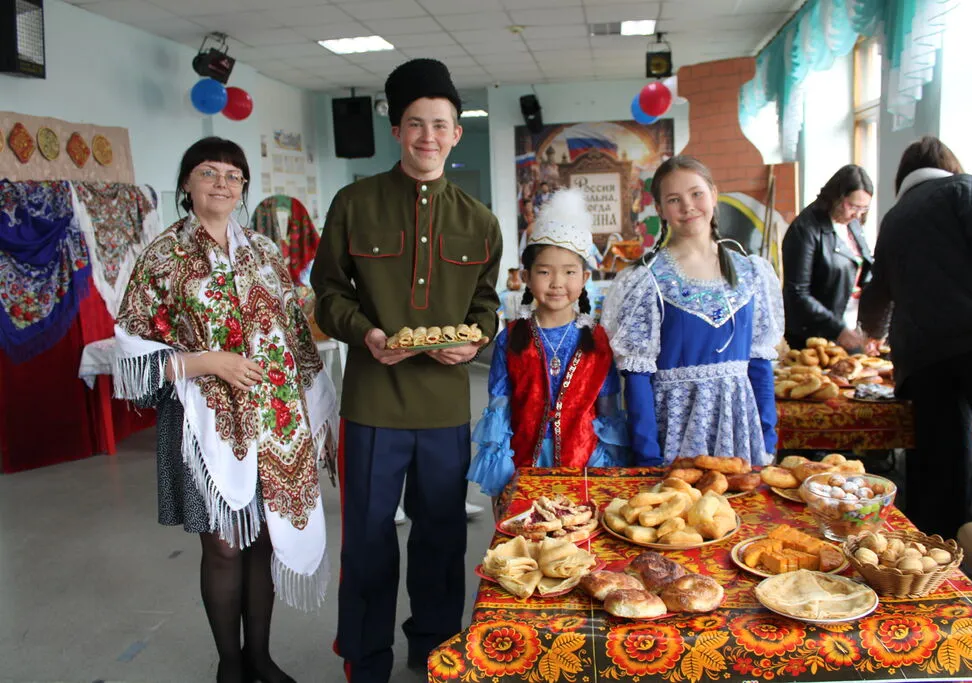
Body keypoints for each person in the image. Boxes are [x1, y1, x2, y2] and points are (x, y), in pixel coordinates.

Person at [114, 137, 337, 683]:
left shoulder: (263, 250)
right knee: (223, 547)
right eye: (208, 172)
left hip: (273, 421)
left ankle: (260, 656)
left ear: (243, 188)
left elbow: (295, 332)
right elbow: (131, 346)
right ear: (186, 183)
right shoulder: (163, 254)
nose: (222, 183)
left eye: (233, 175)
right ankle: (230, 665)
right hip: (204, 424)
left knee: (261, 542)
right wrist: (209, 362)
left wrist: (316, 409)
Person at [310, 58, 502, 682]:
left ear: (456, 134)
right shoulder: (354, 203)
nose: (428, 136)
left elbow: (486, 305)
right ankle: (365, 659)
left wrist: (475, 341)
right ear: (396, 130)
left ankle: (435, 649)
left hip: (445, 407)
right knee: (367, 540)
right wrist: (365, 332)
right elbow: (328, 293)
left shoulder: (479, 221)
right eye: (415, 123)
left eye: (440, 125)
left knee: (442, 538)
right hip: (372, 403)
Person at [859, 136, 972, 538]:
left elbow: (879, 291)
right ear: (948, 163)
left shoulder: (894, 218)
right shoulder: (966, 188)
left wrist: (871, 334)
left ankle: (943, 544)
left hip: (923, 354)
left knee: (942, 457)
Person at [602, 155, 784, 467]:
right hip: (675, 431)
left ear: (713, 194)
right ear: (660, 209)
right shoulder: (646, 280)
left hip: (739, 428)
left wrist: (766, 437)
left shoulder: (751, 272)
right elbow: (637, 377)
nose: (688, 206)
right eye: (674, 199)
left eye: (696, 194)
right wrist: (648, 455)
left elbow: (759, 364)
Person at [468, 188, 629, 507]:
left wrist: (609, 472)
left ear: (584, 277)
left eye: (569, 272)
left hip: (584, 466)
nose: (557, 283)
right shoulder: (511, 337)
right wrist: (501, 478)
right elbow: (499, 407)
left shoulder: (599, 339)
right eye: (544, 272)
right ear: (526, 277)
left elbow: (609, 412)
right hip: (525, 465)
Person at [781, 164, 874, 350]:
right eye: (852, 206)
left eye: (864, 209)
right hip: (815, 336)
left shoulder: (852, 223)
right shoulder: (805, 229)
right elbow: (797, 293)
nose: (857, 214)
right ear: (836, 197)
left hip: (850, 327)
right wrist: (838, 329)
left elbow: (865, 268)